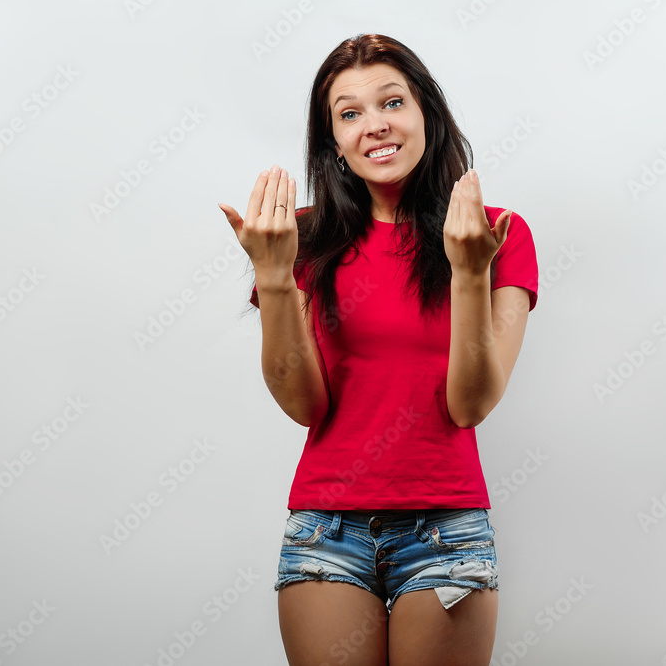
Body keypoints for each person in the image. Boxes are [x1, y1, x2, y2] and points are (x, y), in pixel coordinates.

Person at [218, 33, 538, 666]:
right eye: (349, 113)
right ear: (333, 141)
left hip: (447, 533)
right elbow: (304, 405)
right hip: (326, 529)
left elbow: (471, 405)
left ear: (426, 113)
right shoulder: (302, 237)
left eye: (392, 102)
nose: (375, 125)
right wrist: (275, 276)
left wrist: (470, 272)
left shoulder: (494, 233)